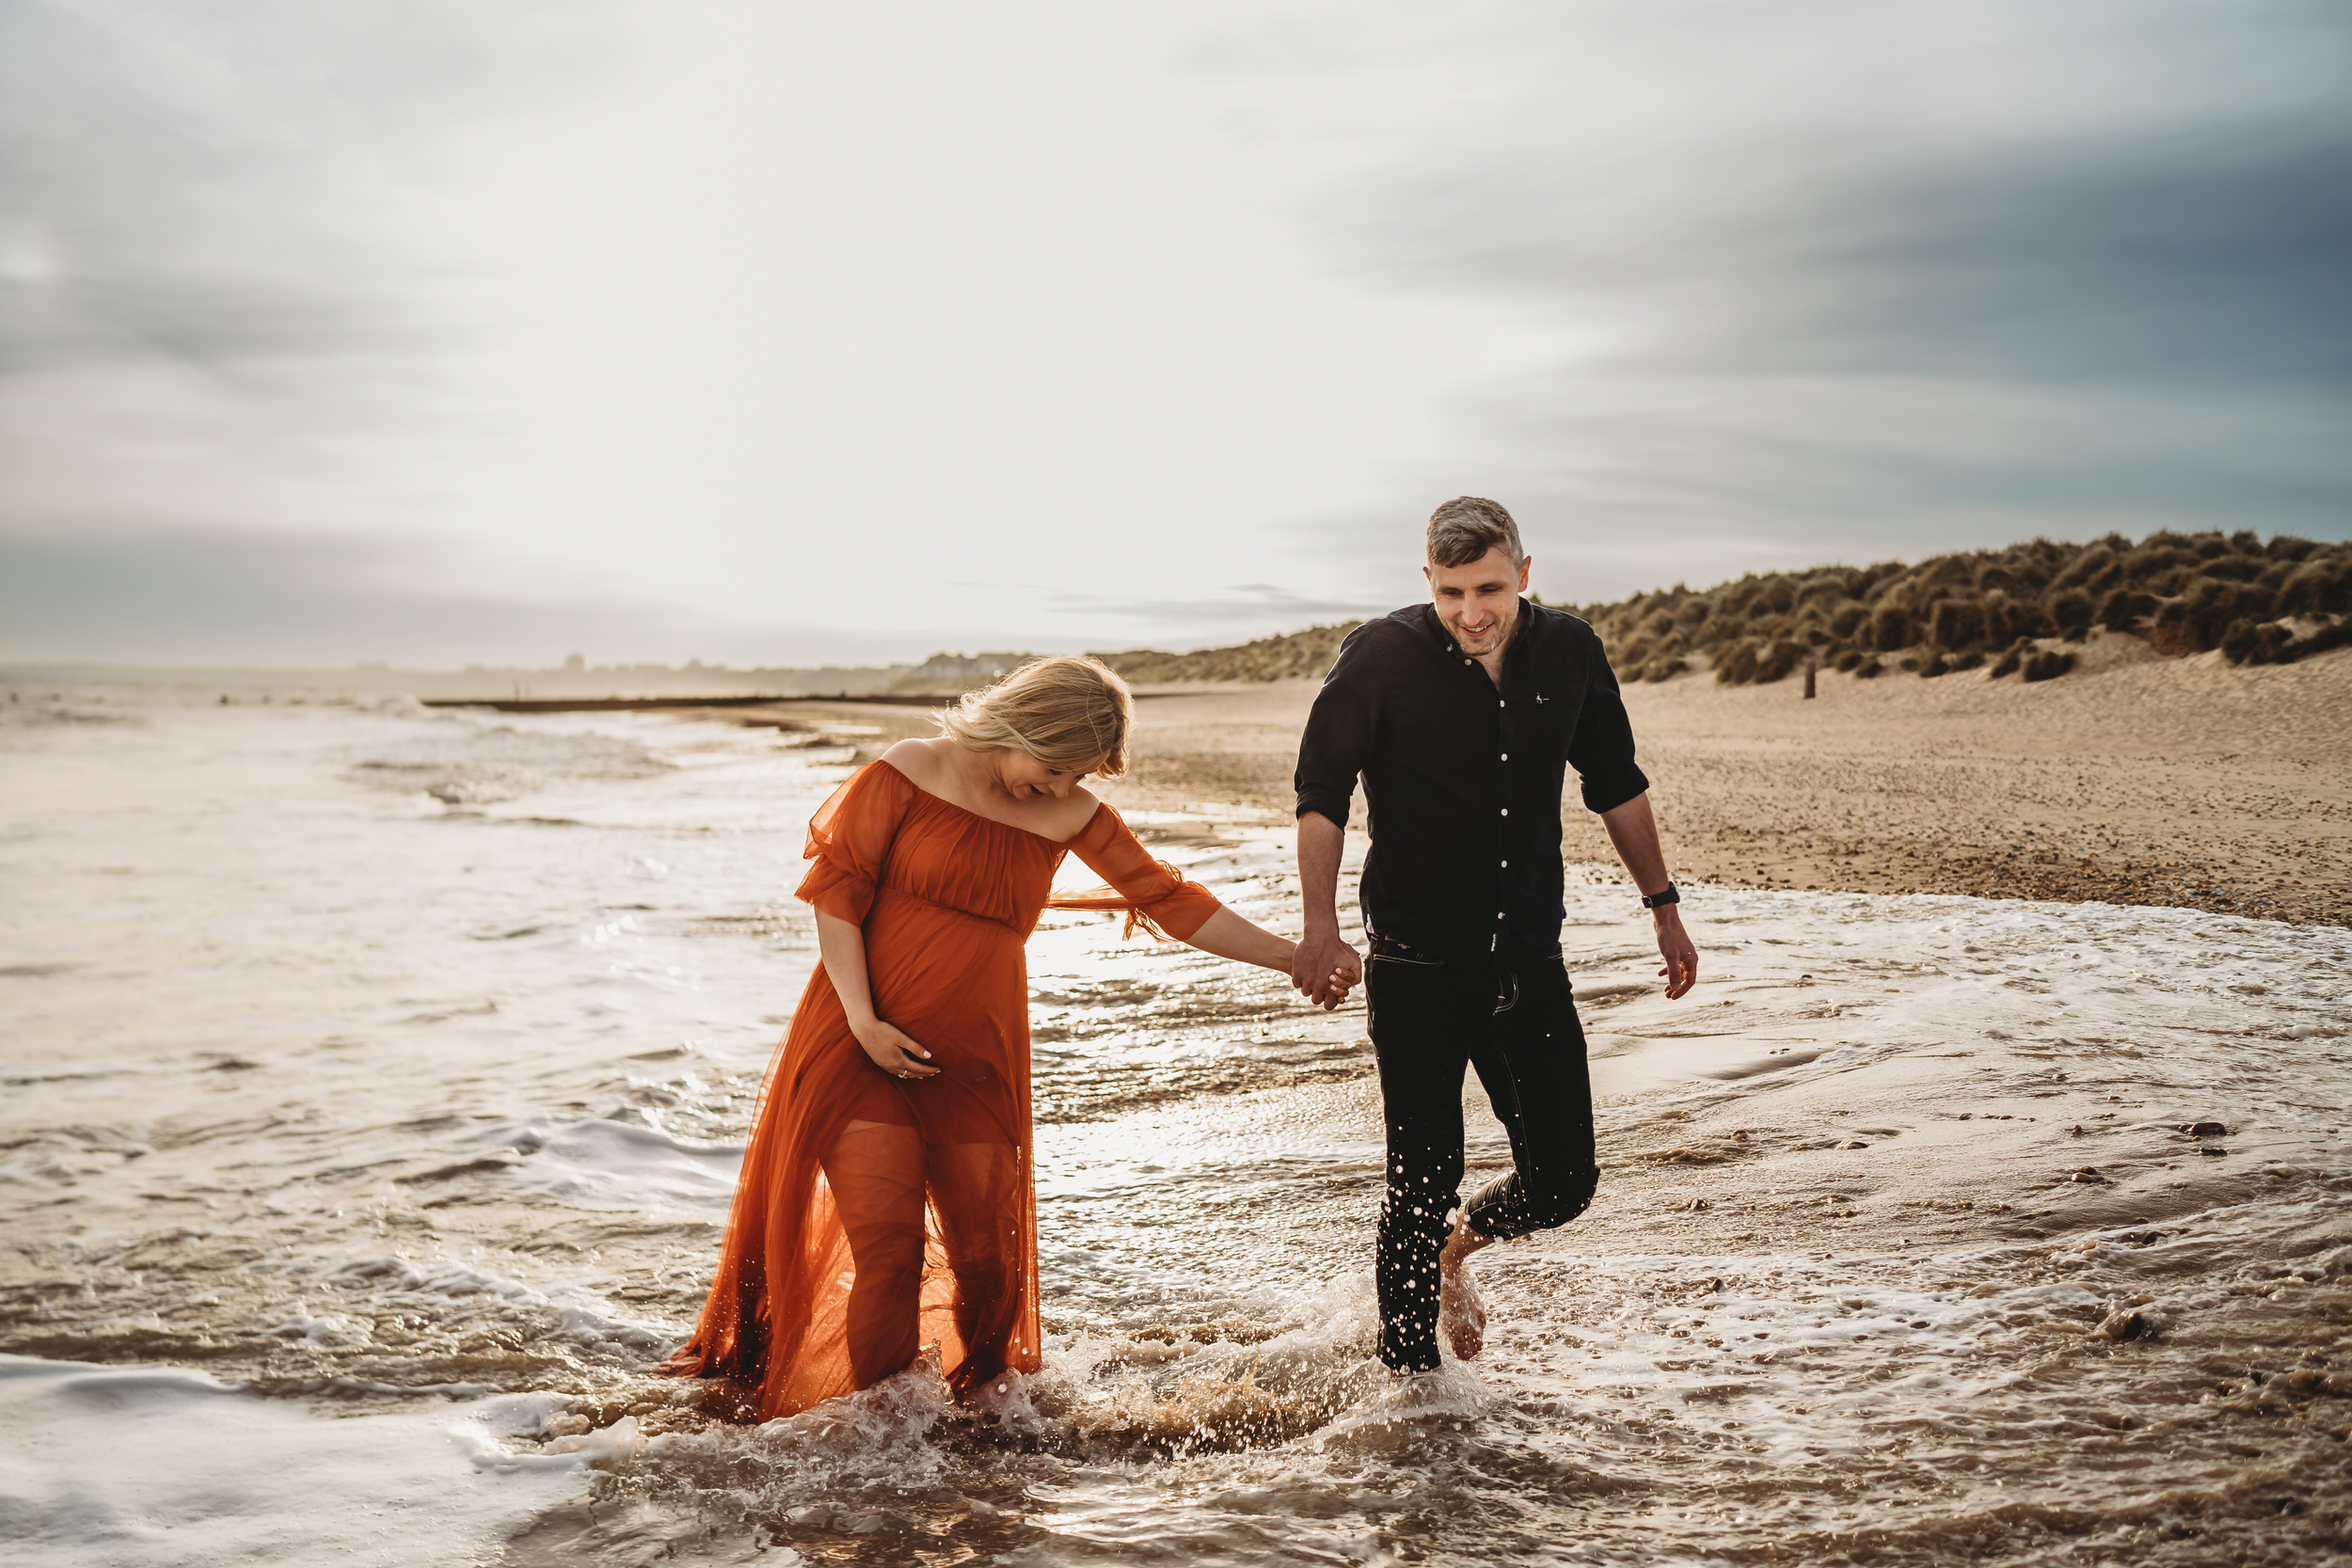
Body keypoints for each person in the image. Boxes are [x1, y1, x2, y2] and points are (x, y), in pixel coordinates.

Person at [660, 655, 1350, 1419]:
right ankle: (881, 1445)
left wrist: (1297, 956)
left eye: (1077, 776)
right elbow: (838, 894)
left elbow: (1171, 900)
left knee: (989, 1267)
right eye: (1054, 767)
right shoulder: (911, 770)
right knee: (889, 1256)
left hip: (977, 1063)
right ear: (1022, 726)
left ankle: (980, 1432)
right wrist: (864, 1020)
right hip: (860, 1045)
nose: (1059, 788)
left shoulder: (1070, 812)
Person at [1290, 496, 1700, 1376]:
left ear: (1522, 571)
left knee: (1564, 1179)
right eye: (1449, 593)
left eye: (1486, 588)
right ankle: (1410, 1393)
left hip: (1524, 962)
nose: (1470, 612)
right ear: (1427, 585)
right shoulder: (1380, 656)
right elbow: (1321, 794)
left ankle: (1455, 1255)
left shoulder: (1571, 650)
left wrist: (1662, 907)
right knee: (1419, 1184)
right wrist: (1318, 928)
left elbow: (1616, 783)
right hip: (1414, 966)